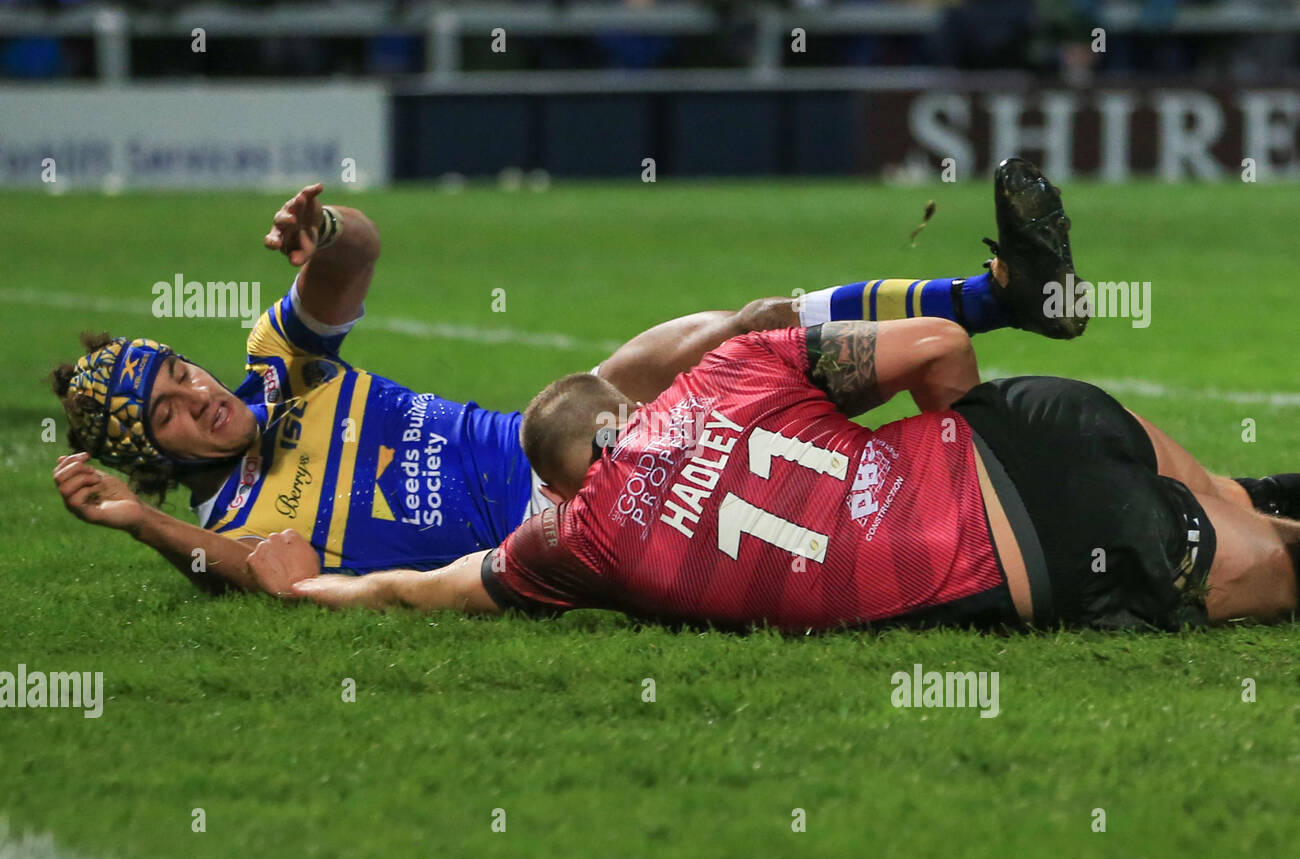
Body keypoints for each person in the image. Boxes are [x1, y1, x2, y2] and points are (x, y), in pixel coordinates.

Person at [50, 160, 1083, 593]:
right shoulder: (232, 521)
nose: (201, 395)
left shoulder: (283, 371)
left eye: (181, 372)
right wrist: (148, 527)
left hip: (554, 423)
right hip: (571, 511)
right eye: (171, 413)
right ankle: (990, 345)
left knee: (755, 323)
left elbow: (357, 256)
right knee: (758, 361)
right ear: (154, 454)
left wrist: (323, 231)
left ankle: (1002, 294)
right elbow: (276, 579)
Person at [247, 314, 1300, 632]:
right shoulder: (725, 371)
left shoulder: (574, 543)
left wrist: (302, 583)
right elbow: (937, 342)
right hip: (1037, 418)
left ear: (564, 486)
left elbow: (416, 587)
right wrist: (967, 447)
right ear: (630, 410)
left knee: (1260, 569)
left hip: (1042, 553)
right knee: (1235, 502)